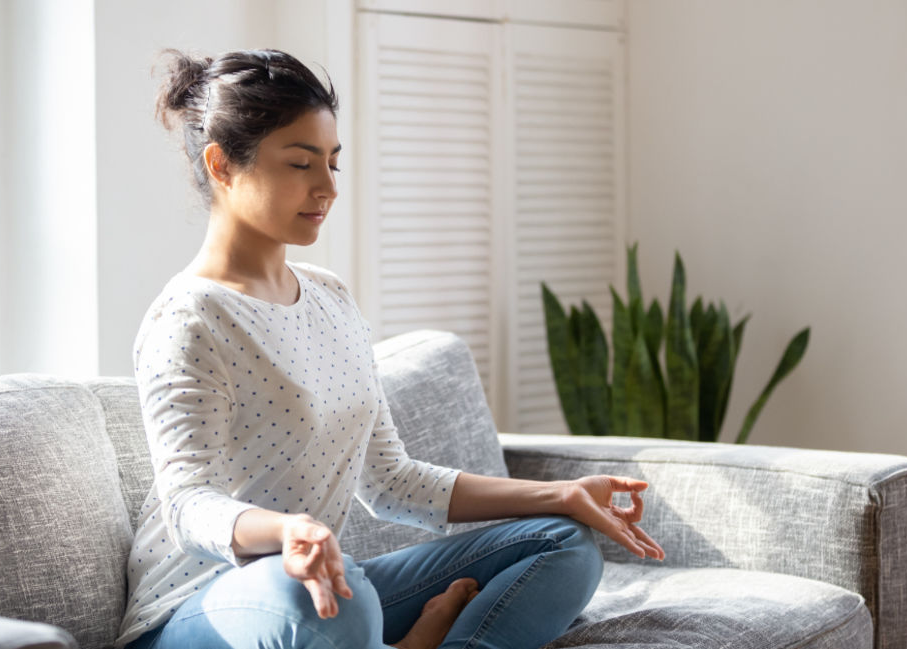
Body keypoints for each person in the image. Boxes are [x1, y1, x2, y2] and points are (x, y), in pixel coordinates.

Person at [121, 48, 664, 649]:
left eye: (332, 162)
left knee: (562, 544)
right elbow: (188, 503)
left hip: (323, 591)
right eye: (301, 163)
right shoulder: (190, 316)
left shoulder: (330, 297)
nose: (326, 187)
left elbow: (391, 481)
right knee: (318, 600)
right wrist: (289, 531)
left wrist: (561, 494)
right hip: (199, 610)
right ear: (222, 165)